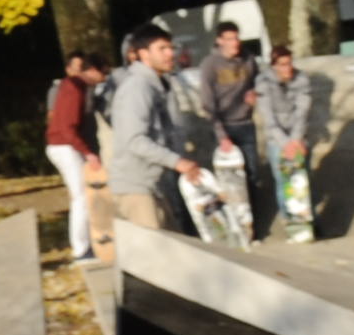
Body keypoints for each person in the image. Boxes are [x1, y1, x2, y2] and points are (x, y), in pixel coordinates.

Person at [101, 28, 212, 245]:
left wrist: (180, 164)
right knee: (156, 260)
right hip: (136, 187)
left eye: (171, 47)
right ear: (143, 54)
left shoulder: (156, 84)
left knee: (174, 249)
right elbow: (134, 140)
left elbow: (164, 134)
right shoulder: (137, 87)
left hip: (154, 184)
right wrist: (178, 162)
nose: (170, 53)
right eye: (162, 48)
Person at [199, 26, 273, 241]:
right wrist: (222, 135)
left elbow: (260, 81)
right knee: (229, 180)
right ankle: (232, 226)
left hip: (246, 124)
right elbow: (207, 103)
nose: (235, 43)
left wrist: (254, 93)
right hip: (224, 125)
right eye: (229, 39)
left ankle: (253, 228)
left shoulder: (248, 59)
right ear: (220, 41)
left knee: (251, 175)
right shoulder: (210, 65)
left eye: (237, 38)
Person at [259, 46, 330, 238]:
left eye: (289, 63)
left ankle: (310, 220)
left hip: (298, 136)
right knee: (284, 182)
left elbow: (302, 112)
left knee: (303, 181)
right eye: (282, 65)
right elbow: (268, 117)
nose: (287, 68)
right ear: (273, 65)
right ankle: (289, 219)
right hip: (277, 138)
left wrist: (296, 140)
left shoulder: (301, 80)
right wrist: (285, 143)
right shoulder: (263, 82)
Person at [42, 53, 104, 261]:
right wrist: (87, 152)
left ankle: (85, 244)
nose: (103, 77)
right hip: (65, 146)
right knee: (80, 197)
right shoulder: (74, 88)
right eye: (103, 72)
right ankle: (81, 248)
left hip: (64, 145)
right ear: (93, 70)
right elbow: (67, 126)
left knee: (81, 196)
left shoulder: (76, 87)